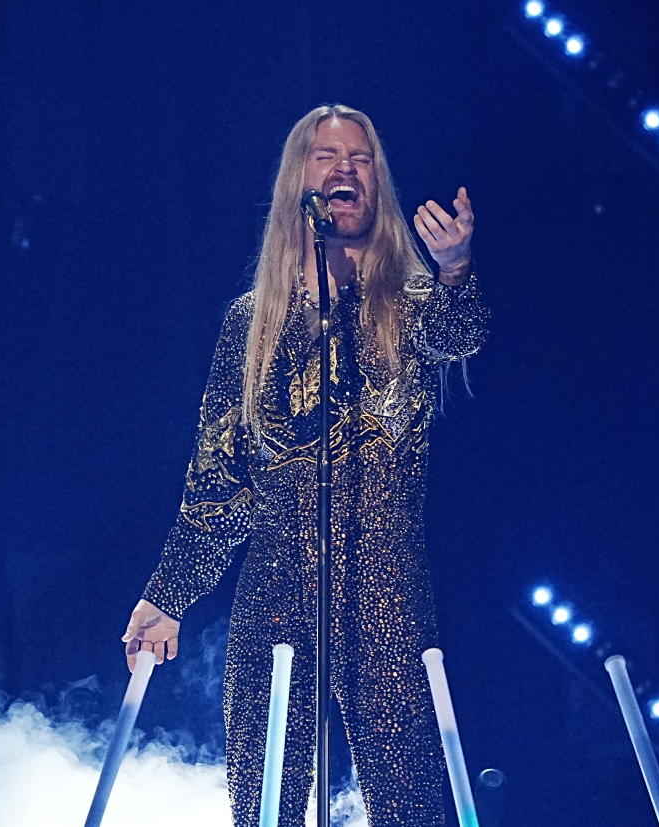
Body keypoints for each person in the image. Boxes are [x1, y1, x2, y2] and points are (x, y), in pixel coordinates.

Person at [122, 104, 489, 826]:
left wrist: (454, 270)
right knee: (266, 797)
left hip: (386, 584)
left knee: (408, 796)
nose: (346, 166)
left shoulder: (411, 305)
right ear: (300, 178)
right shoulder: (250, 322)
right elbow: (219, 476)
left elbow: (459, 334)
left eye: (361, 156)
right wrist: (169, 593)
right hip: (277, 584)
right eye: (327, 155)